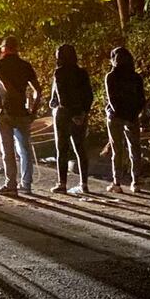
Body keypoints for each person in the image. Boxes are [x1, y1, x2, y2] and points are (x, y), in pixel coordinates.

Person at [0, 36, 41, 196]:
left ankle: (11, 184)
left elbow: (4, 87)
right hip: (22, 113)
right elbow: (38, 90)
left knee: (8, 150)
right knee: (25, 149)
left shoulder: (0, 64)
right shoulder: (25, 66)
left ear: (4, 49)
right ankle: (26, 184)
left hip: (5, 112)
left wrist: (10, 101)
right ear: (17, 48)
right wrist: (33, 110)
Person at [49, 44, 94, 195]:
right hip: (80, 113)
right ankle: (84, 183)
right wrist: (82, 112)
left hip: (63, 114)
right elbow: (89, 95)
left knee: (62, 149)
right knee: (80, 148)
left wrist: (69, 111)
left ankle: (62, 183)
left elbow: (62, 96)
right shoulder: (82, 73)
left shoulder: (59, 73)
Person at [104, 46, 145, 193]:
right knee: (135, 148)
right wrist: (134, 113)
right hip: (132, 116)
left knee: (117, 149)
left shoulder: (111, 76)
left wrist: (118, 112)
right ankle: (136, 181)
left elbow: (112, 98)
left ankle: (117, 182)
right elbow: (142, 99)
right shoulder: (136, 77)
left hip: (115, 116)